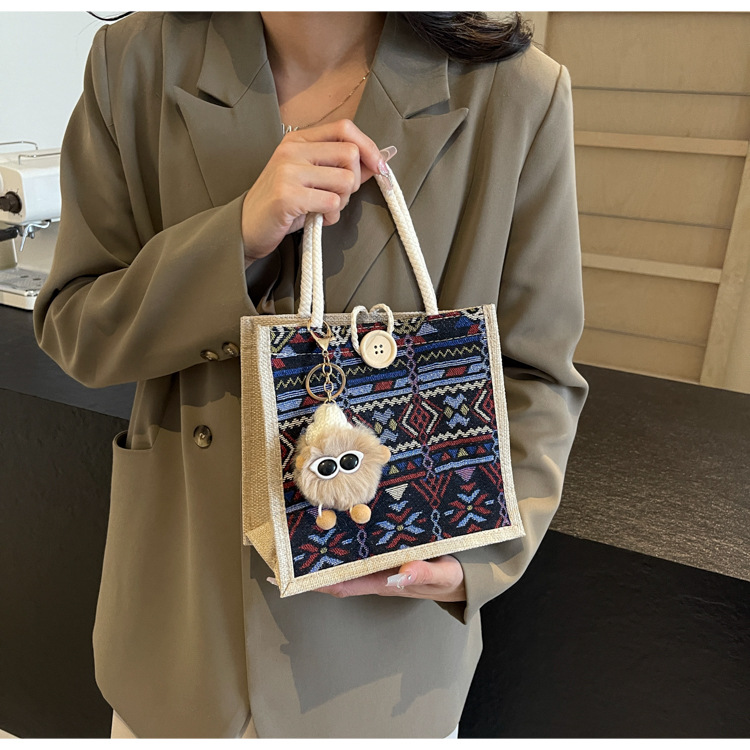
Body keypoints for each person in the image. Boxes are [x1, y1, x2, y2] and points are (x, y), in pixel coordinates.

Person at [33, 11, 588, 739]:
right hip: (176, 633)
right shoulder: (134, 62)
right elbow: (76, 326)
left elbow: (537, 373)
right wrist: (234, 238)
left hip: (381, 660)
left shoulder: (514, 93)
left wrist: (475, 556)